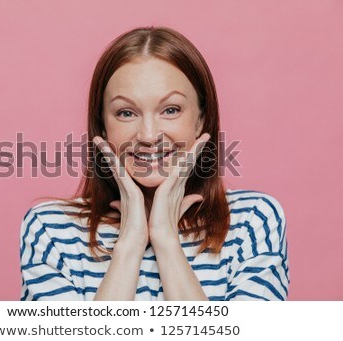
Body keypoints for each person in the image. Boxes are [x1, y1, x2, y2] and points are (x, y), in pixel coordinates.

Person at [20, 26, 290, 301]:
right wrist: (130, 243)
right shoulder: (50, 229)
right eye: (126, 112)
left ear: (200, 120)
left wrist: (165, 239)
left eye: (170, 110)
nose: (148, 136)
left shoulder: (252, 221)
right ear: (103, 126)